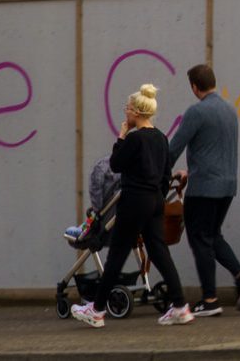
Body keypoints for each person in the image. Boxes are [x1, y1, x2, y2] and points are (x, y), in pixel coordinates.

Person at [70, 84, 193, 329]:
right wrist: (158, 196)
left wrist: (121, 136)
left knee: (117, 253)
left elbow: (116, 164)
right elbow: (165, 171)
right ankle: (180, 306)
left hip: (134, 200)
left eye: (127, 109)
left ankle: (96, 310)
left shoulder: (134, 138)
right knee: (159, 252)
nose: (125, 113)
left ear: (136, 112)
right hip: (155, 201)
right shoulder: (160, 137)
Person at [166, 63, 240, 316]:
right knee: (212, 235)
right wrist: (190, 171)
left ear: (194, 87)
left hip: (204, 189)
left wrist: (161, 171)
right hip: (227, 186)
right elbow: (214, 150)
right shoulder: (229, 110)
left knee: (199, 239)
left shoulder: (196, 112)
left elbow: (174, 148)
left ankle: (210, 300)